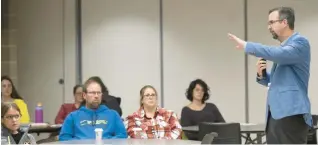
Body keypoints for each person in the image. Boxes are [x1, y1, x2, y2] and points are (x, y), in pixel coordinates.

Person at [228, 7, 312, 144]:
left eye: (272, 22)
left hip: (291, 115)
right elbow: (282, 81)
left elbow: (278, 54)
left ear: (284, 22)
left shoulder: (300, 43)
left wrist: (247, 45)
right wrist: (263, 76)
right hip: (275, 116)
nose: (269, 27)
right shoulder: (284, 49)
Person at [58, 78, 127, 141]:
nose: (96, 96)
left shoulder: (113, 115)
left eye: (98, 93)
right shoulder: (72, 116)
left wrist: (106, 142)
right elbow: (64, 138)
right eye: (93, 93)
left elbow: (122, 136)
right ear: (84, 95)